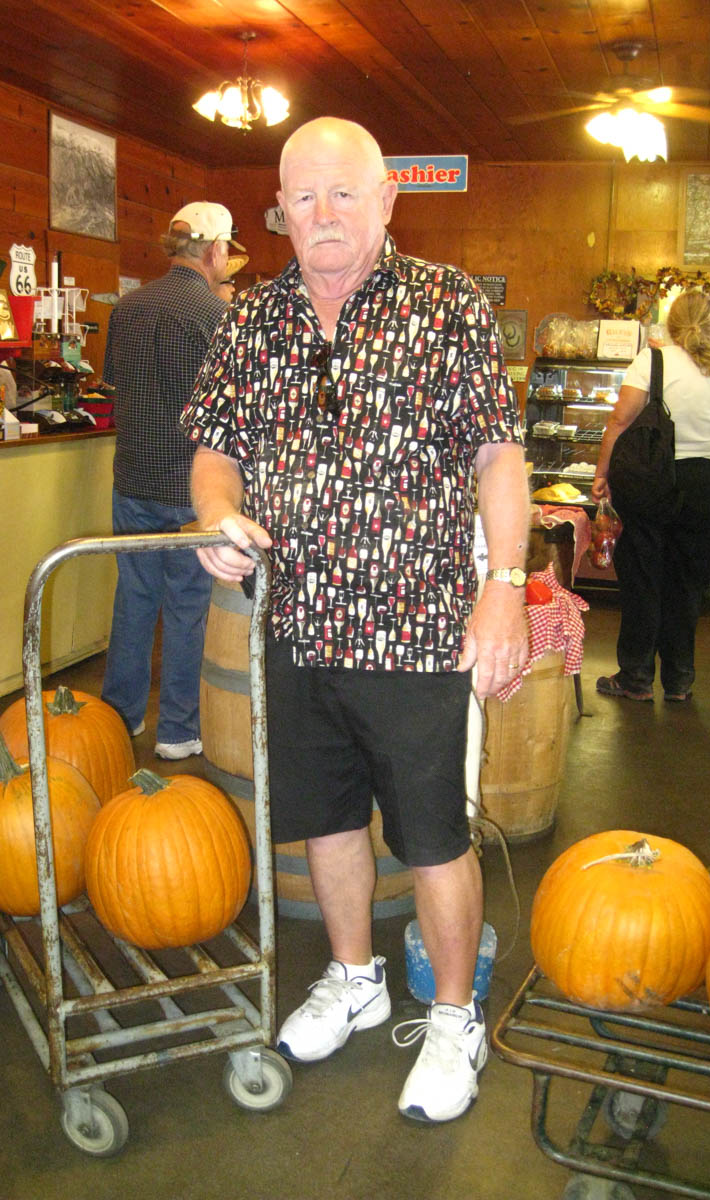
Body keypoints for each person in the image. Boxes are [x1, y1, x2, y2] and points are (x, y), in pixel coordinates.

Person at [182, 117, 529, 1123]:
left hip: (416, 626)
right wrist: (215, 512)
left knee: (430, 836)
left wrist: (502, 583)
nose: (325, 214)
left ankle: (456, 1017)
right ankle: (354, 976)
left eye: (346, 194)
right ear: (278, 212)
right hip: (295, 620)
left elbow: (497, 453)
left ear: (386, 201)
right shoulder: (251, 321)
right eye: (305, 197)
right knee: (324, 821)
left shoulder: (445, 303)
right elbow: (215, 446)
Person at [101, 201, 243, 759]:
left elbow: (115, 383)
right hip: (191, 488)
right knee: (189, 607)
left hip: (133, 479)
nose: (227, 258)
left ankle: (118, 719)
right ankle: (178, 731)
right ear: (212, 250)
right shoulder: (219, 318)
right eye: (228, 248)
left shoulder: (126, 308)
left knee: (134, 598)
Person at [592, 290, 710, 702]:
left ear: (671, 322)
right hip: (705, 484)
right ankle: (679, 680)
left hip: (654, 479)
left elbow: (620, 421)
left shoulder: (651, 361)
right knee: (686, 586)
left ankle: (636, 677)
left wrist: (602, 475)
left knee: (643, 580)